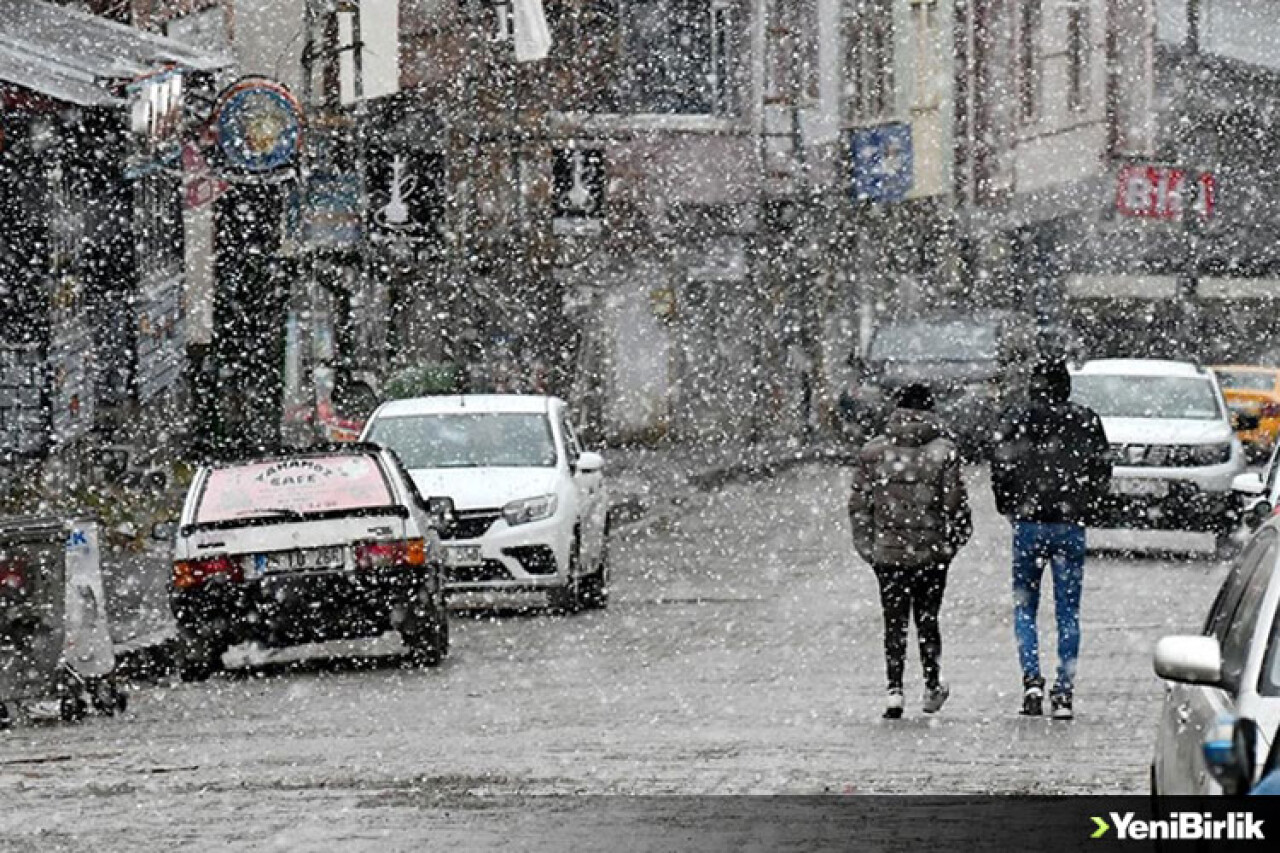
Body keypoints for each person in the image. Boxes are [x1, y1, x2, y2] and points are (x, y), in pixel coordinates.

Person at [990, 357, 1111, 720]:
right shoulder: (1086, 420)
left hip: (1028, 525)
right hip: (1069, 524)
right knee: (1068, 612)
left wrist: (1009, 506)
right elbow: (1102, 469)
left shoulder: (1016, 419)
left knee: (1025, 607)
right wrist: (1088, 506)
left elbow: (1001, 467)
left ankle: (1031, 681)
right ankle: (1064, 691)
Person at [848, 383, 972, 719]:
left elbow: (859, 506)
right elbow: (955, 505)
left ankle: (895, 691)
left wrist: (870, 548)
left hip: (888, 554)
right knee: (928, 619)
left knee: (894, 621)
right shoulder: (944, 451)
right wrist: (952, 543)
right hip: (932, 553)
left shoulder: (873, 452)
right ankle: (931, 685)